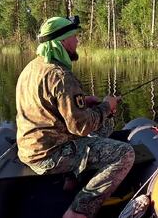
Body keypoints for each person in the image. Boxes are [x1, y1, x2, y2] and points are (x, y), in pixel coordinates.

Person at [15, 16, 135, 218]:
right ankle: (79, 211)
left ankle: (71, 180)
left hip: (30, 150)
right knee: (125, 153)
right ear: (62, 42)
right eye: (74, 37)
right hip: (50, 156)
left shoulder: (32, 67)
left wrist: (85, 101)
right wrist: (107, 106)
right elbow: (82, 127)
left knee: (105, 127)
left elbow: (47, 107)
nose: (77, 41)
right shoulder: (61, 75)